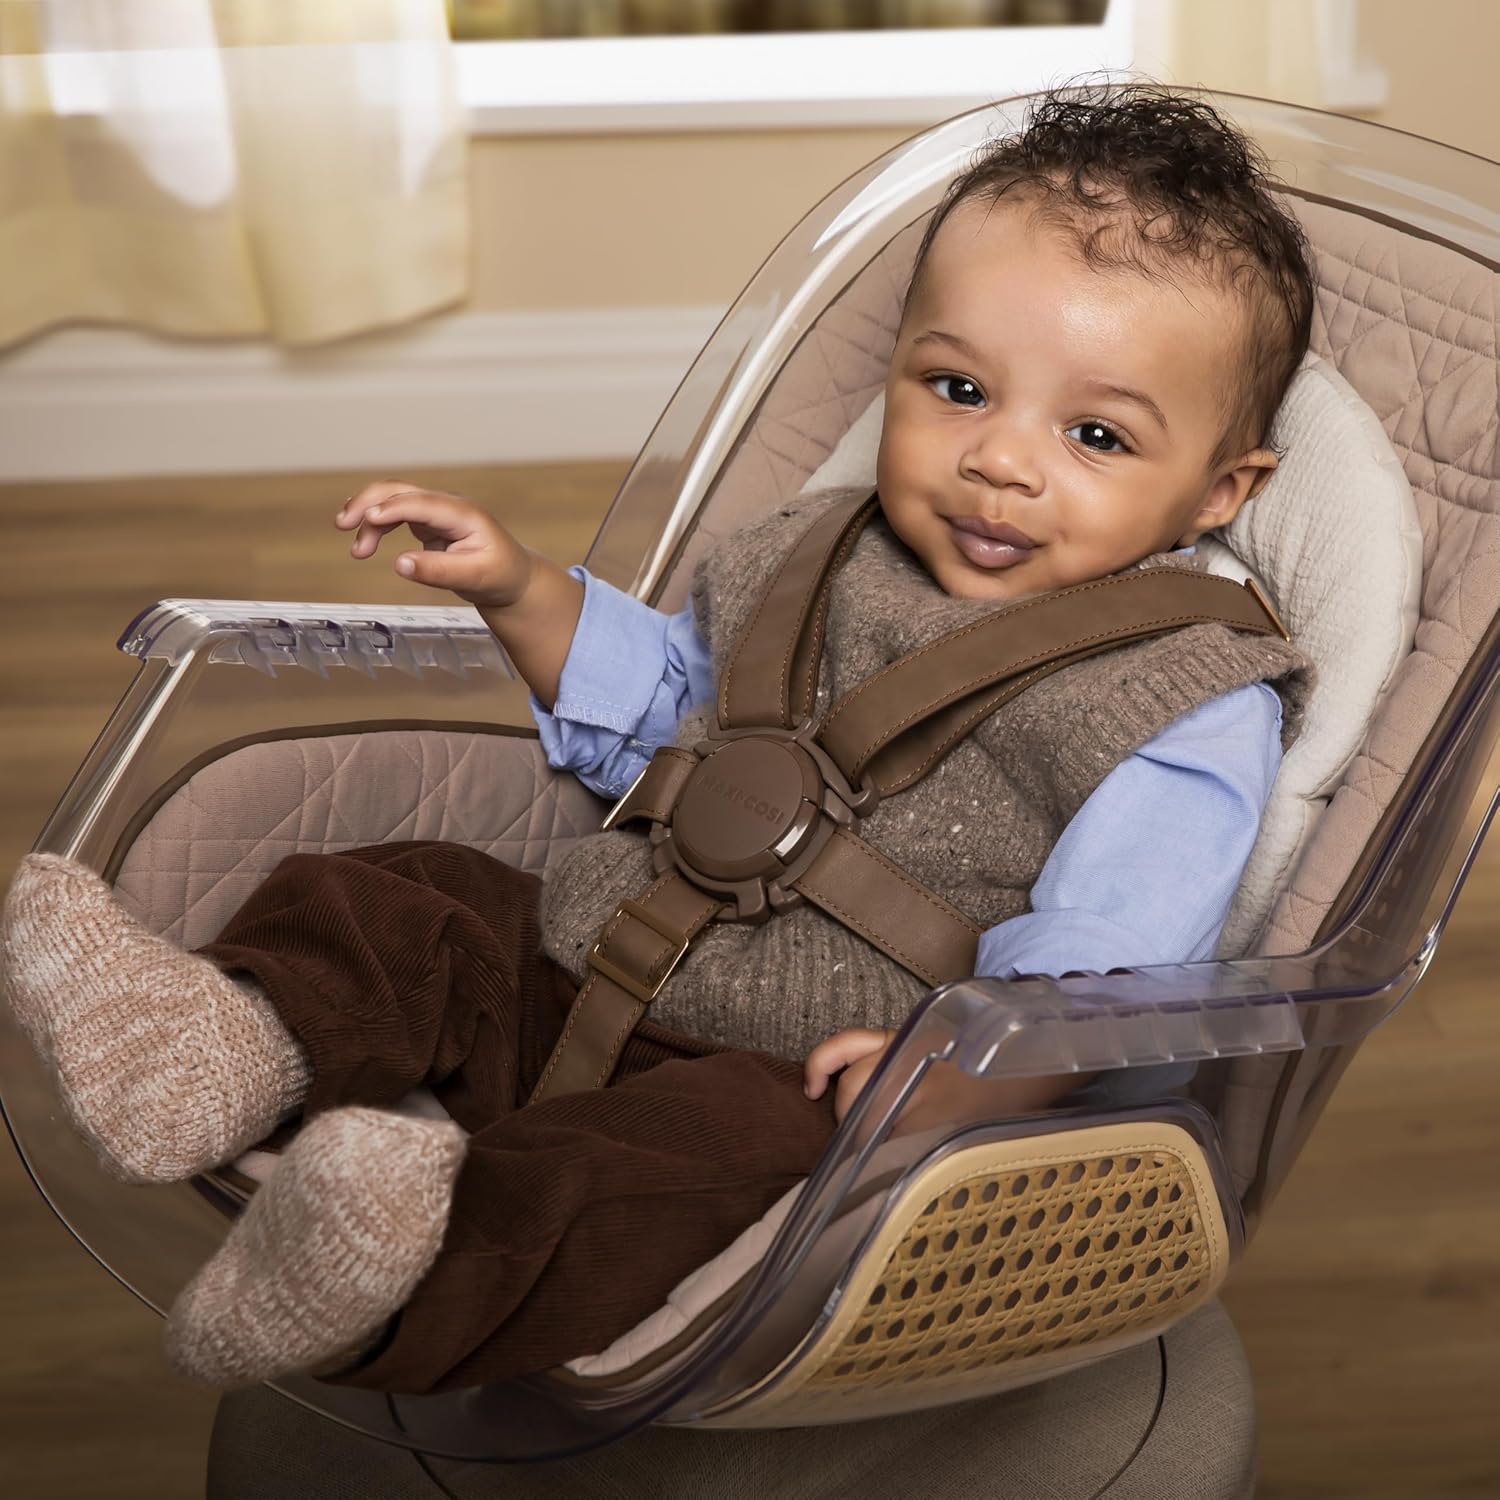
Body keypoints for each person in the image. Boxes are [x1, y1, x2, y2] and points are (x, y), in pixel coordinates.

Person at [1, 85, 1314, 1395]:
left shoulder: (1181, 696)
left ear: (1221, 488)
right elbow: (676, 712)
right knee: (405, 898)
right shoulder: (810, 547)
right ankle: (213, 1054)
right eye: (959, 388)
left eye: (1095, 435)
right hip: (579, 963)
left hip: (801, 1083)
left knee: (623, 1185)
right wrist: (522, 589)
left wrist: (961, 1074)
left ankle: (376, 1284)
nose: (1001, 462)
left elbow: (1110, 948)